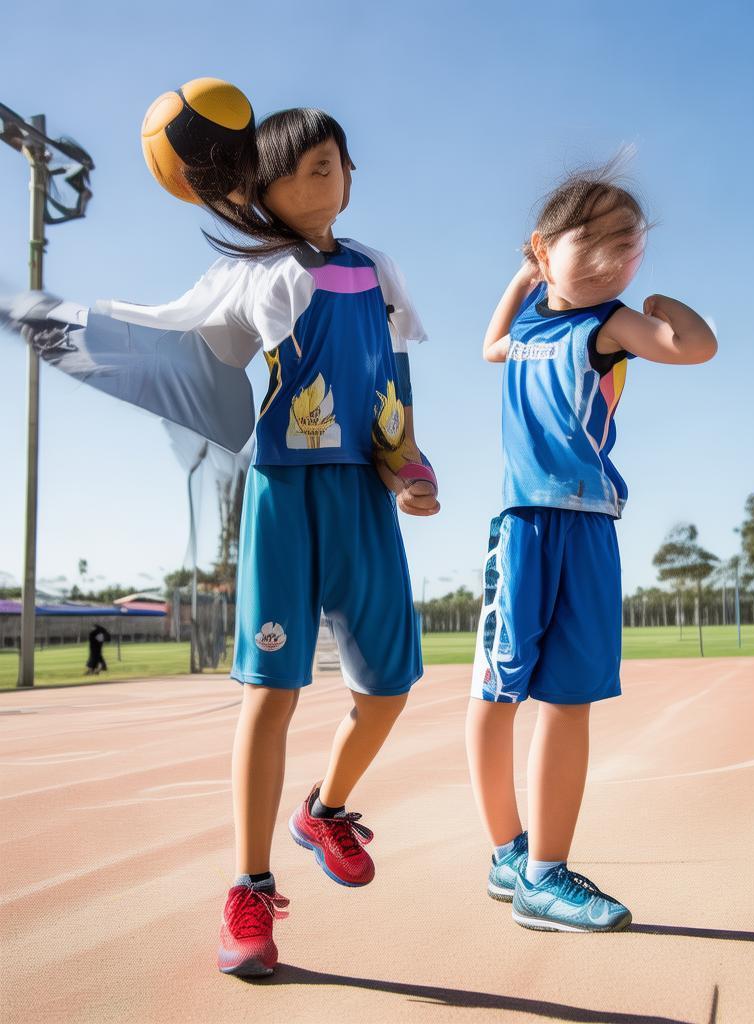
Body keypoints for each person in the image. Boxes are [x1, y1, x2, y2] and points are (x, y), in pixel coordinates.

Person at [6, 108, 438, 976]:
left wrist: (410, 465)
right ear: (264, 191)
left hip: (362, 496)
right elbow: (181, 349)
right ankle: (248, 887)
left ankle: (326, 809)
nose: (331, 180)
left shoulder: (375, 268)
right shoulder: (255, 274)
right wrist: (71, 328)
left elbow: (393, 384)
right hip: (283, 493)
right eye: (311, 169)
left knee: (389, 688)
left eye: (338, 165)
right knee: (269, 694)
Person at [466, 160, 717, 932]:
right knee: (496, 691)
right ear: (545, 249)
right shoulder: (529, 333)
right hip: (524, 525)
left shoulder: (608, 326)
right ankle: (509, 853)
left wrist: (660, 302)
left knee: (568, 697)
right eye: (597, 238)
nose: (615, 256)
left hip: (588, 525)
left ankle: (545, 874)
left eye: (630, 244)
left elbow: (690, 346)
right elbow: (490, 344)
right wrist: (524, 273)